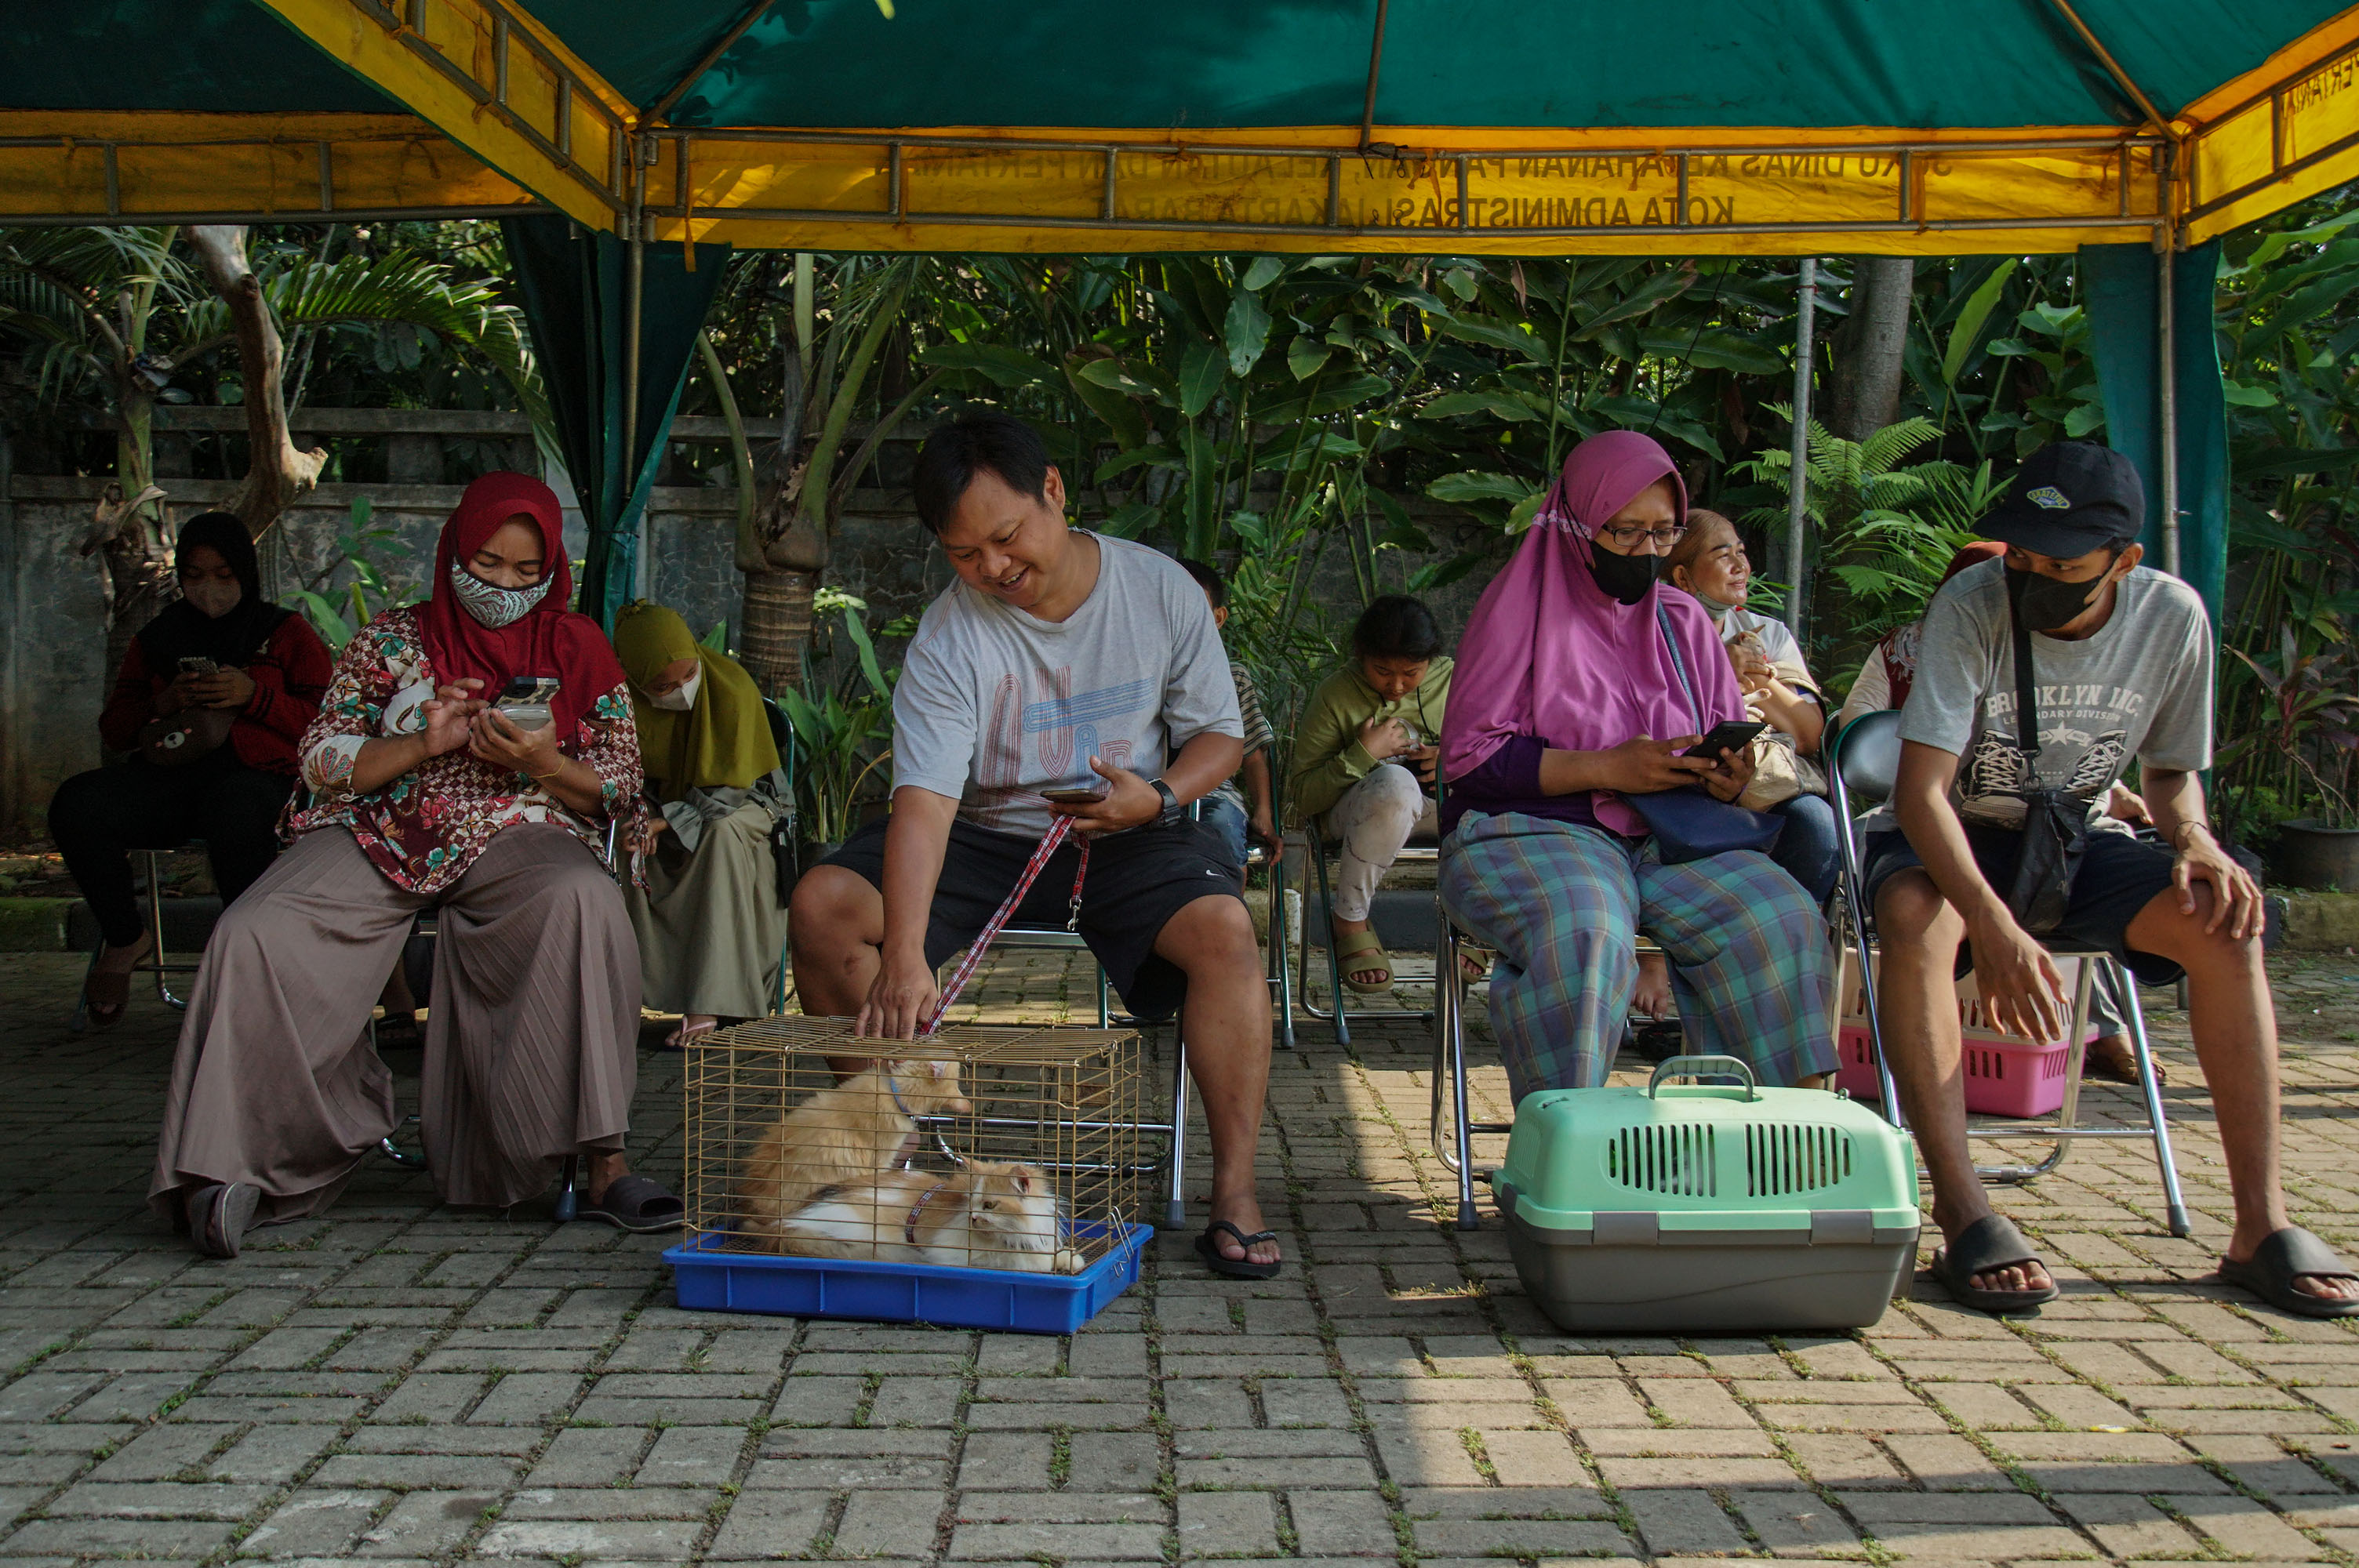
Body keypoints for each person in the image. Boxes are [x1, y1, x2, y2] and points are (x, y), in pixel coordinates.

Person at [1863, 441, 2357, 1318]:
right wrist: (1994, 924)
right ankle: (1961, 1206)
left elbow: (2168, 773)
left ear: (2122, 561)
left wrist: (2194, 839)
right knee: (1913, 913)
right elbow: (1918, 792)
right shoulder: (1971, 605)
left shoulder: (2172, 616)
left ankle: (2259, 1224)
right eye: (2018, 555)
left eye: (2060, 564)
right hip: (1956, 833)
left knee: (2220, 917)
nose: (2030, 575)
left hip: (2073, 838)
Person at [787, 411, 1281, 1279]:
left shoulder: (1159, 588)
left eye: (1006, 538)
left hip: (1129, 825)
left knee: (1227, 935)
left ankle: (1233, 1191)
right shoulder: (950, 634)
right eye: (964, 553)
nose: (992, 569)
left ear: (1052, 491)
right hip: (985, 836)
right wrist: (904, 953)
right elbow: (927, 800)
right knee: (825, 906)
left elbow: (1219, 739)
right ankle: (897, 1167)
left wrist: (1156, 796)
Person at [149, 471, 678, 1257]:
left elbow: (619, 781)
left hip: (516, 824)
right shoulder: (390, 640)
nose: (502, 586)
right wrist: (422, 743)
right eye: (486, 564)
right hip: (382, 825)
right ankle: (228, 1170)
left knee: (584, 901)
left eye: (525, 572)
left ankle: (601, 1162)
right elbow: (323, 759)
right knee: (256, 927)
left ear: (551, 570)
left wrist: (540, 761)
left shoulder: (579, 645)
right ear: (454, 552)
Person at [1438, 430, 1836, 1102]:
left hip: (1672, 838)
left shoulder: (1683, 621)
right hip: (1533, 830)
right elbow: (1471, 761)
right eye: (1625, 533)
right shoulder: (1518, 613)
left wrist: (1727, 775)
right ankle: (1567, 1140)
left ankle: (1779, 1138)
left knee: (1781, 918)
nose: (1647, 551)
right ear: (1577, 524)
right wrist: (1608, 768)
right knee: (1588, 928)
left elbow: (1718, 742)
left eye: (1663, 534)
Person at [1838, 540, 2156, 1088]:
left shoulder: (2039, 646)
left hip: (2041, 825)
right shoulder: (1906, 651)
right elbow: (1857, 726)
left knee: (2074, 869)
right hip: (1927, 811)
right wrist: (1922, 746)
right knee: (1911, 897)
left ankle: (2101, 1028)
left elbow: (2067, 742)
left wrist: (2118, 789)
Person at [51, 511, 333, 1029]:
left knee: (236, 812)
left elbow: (329, 724)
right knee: (77, 803)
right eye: (194, 575)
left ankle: (250, 967)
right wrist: (162, 702)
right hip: (171, 780)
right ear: (179, 577)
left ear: (245, 573)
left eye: (223, 575)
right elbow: (114, 729)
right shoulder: (158, 637)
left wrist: (255, 696)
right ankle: (124, 936)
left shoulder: (283, 633)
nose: (209, 590)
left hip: (257, 782)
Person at [612, 601, 791, 1047]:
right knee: (623, 841)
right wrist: (643, 820)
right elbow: (623, 775)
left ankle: (709, 1000)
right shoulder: (621, 705)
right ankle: (621, 994)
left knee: (721, 834)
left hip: (745, 804)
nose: (680, 690)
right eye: (662, 685)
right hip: (661, 806)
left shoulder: (730, 687)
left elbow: (732, 790)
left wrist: (665, 822)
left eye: (688, 676)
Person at [1663, 510, 1837, 901]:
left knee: (1817, 827)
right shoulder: (1656, 632)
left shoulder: (1768, 633)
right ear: (1682, 577)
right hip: (1683, 786)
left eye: (1741, 552)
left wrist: (1754, 673)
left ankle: (1798, 941)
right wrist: (1719, 666)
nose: (1742, 565)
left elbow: (1808, 734)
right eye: (1724, 555)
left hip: (1765, 787)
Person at [1289, 596, 1452, 992]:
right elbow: (1303, 796)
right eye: (1381, 671)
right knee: (1395, 785)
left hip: (1444, 809)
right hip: (1361, 810)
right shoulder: (1336, 694)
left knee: (1501, 794)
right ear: (1361, 656)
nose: (1396, 686)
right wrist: (1362, 755)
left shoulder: (1457, 680)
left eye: (1411, 673)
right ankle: (1350, 917)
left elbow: (1499, 749)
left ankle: (1473, 920)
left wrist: (1454, 759)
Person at [1176, 560, 1280, 870]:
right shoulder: (1143, 675)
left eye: (1193, 610)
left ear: (1218, 618)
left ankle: (1228, 912)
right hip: (1150, 791)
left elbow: (1252, 756)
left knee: (1221, 832)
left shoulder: (1233, 677)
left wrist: (1263, 812)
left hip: (1215, 794)